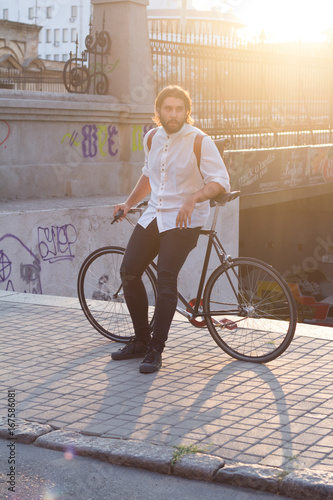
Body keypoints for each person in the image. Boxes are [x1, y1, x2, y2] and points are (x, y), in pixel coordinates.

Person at [111, 85, 230, 374]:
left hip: (184, 219)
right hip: (155, 214)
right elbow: (148, 176)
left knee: (166, 279)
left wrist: (194, 197)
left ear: (187, 112)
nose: (173, 114)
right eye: (168, 108)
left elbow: (221, 181)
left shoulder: (199, 140)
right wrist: (128, 203)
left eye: (179, 109)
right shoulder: (151, 138)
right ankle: (140, 340)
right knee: (128, 271)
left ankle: (155, 349)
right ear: (159, 112)